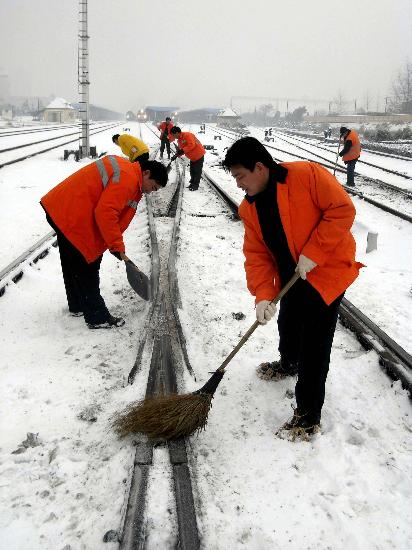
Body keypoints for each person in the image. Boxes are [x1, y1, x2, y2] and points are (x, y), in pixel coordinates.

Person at [222, 137, 362, 439]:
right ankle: (289, 362)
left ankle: (309, 415)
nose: (238, 185)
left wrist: (314, 252)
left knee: (315, 341)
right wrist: (262, 296)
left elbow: (342, 210)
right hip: (292, 274)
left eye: (240, 176)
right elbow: (257, 256)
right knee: (288, 320)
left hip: (326, 271)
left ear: (259, 167)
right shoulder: (250, 209)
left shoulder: (307, 176)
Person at [40, 156, 167, 329]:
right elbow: (106, 213)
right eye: (152, 187)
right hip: (72, 214)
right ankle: (96, 317)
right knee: (89, 262)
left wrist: (113, 244)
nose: (150, 192)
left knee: (73, 261)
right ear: (146, 173)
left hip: (64, 208)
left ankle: (78, 305)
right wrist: (116, 246)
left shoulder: (128, 171)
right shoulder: (128, 179)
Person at [169, 126, 205, 191]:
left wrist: (182, 150)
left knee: (197, 171)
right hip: (192, 157)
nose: (173, 137)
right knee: (192, 171)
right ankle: (192, 184)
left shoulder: (187, 135)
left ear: (177, 133)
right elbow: (182, 149)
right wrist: (176, 155)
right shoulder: (179, 140)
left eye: (173, 135)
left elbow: (191, 145)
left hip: (198, 155)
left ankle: (195, 186)